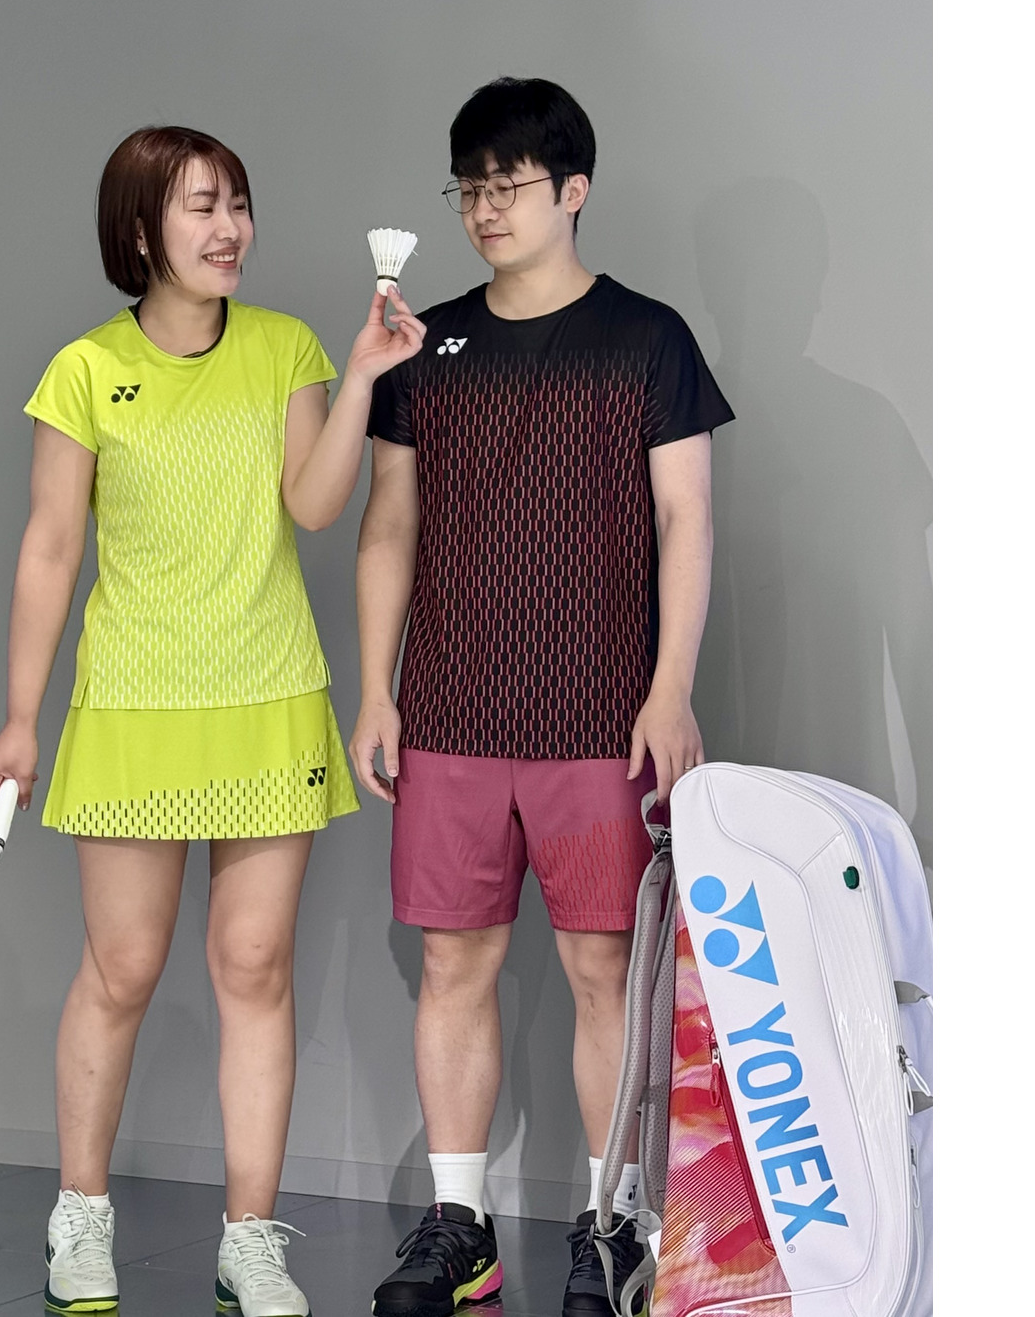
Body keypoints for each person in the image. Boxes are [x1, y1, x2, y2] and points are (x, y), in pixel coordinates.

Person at [0, 125, 424, 1317]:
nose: (230, 228)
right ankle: (80, 1220)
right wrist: (21, 716)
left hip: (268, 699)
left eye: (238, 203)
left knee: (254, 966)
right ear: (141, 230)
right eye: (200, 206)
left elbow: (316, 506)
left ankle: (250, 1242)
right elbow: (50, 548)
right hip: (133, 705)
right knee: (122, 967)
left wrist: (362, 376)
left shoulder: (286, 349)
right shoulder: (84, 371)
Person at [352, 78, 733, 1317]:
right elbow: (389, 524)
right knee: (452, 962)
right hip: (451, 713)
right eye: (468, 186)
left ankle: (613, 1226)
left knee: (601, 968)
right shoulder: (423, 348)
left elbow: (686, 519)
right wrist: (378, 691)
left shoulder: (649, 339)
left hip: (601, 718)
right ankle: (459, 1226)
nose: (484, 207)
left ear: (573, 190)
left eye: (508, 184)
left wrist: (670, 690)